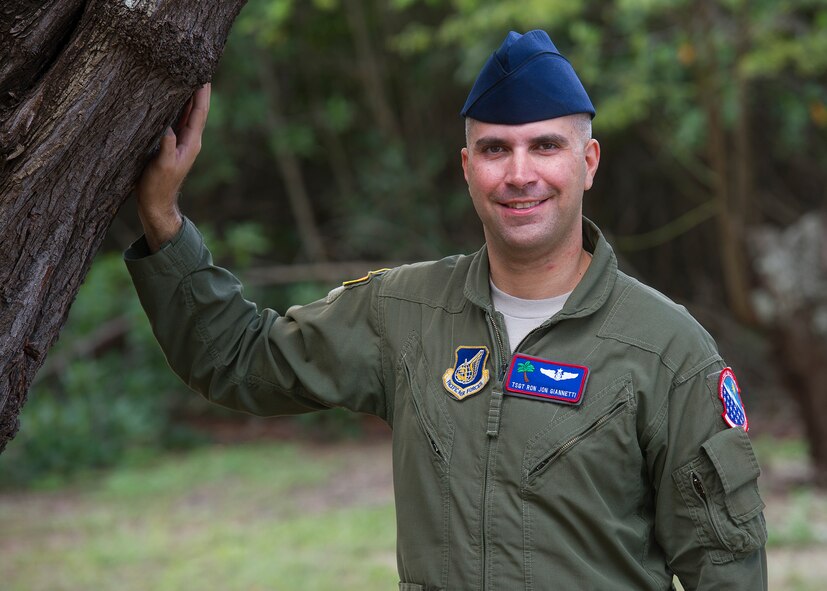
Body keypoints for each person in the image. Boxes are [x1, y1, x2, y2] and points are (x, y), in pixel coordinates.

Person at [126, 30, 767, 590]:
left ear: (588, 161)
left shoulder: (668, 350)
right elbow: (238, 360)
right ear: (467, 168)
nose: (519, 173)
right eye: (494, 149)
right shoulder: (402, 312)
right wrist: (162, 218)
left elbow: (726, 569)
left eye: (545, 146)